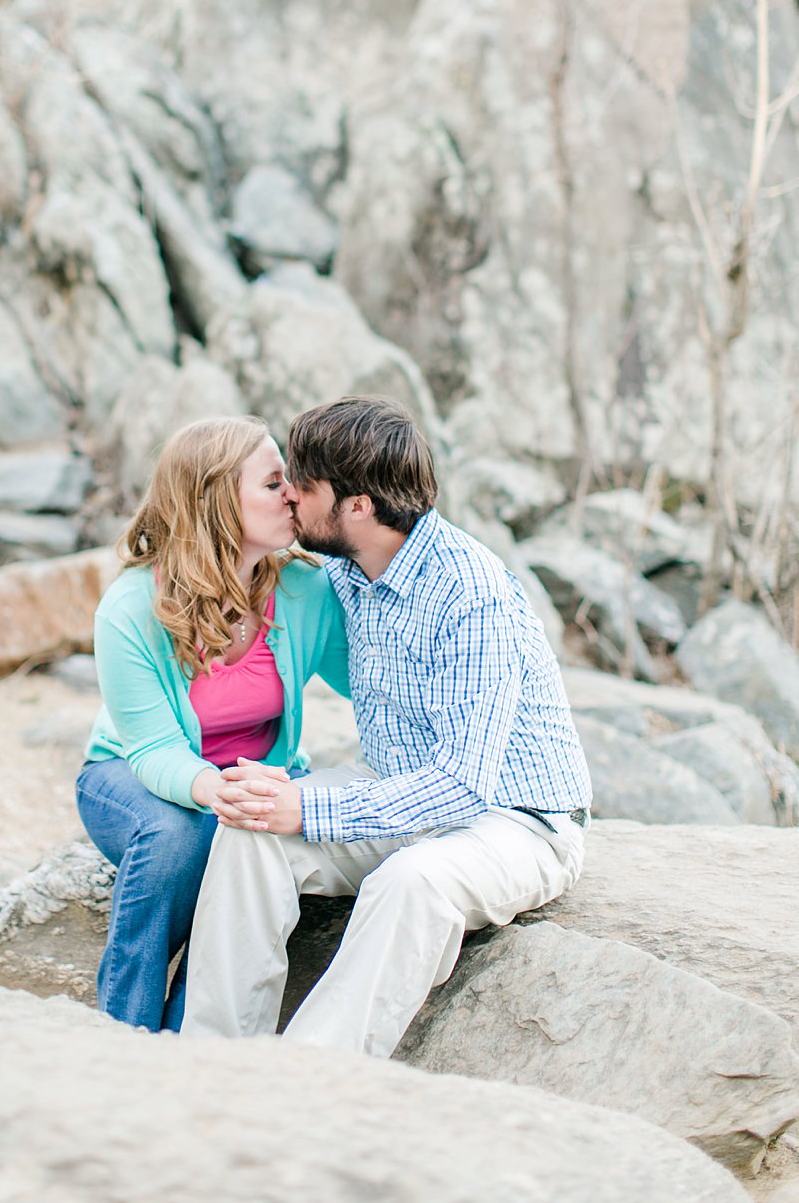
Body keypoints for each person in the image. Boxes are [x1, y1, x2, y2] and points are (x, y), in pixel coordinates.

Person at [182, 395, 591, 1058]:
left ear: (359, 506)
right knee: (251, 821)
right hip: (396, 787)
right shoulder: (346, 567)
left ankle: (305, 1082)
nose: (288, 494)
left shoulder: (470, 591)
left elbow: (463, 784)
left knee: (413, 880)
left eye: (304, 486)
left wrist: (311, 804)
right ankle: (213, 1061)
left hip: (516, 816)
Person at [78, 416, 351, 1031]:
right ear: (218, 500)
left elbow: (370, 685)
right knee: (182, 838)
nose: (294, 494)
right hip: (133, 773)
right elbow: (151, 748)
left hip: (256, 773)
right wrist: (215, 789)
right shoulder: (131, 609)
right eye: (274, 481)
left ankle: (188, 1041)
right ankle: (121, 1033)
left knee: (250, 844)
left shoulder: (306, 590)